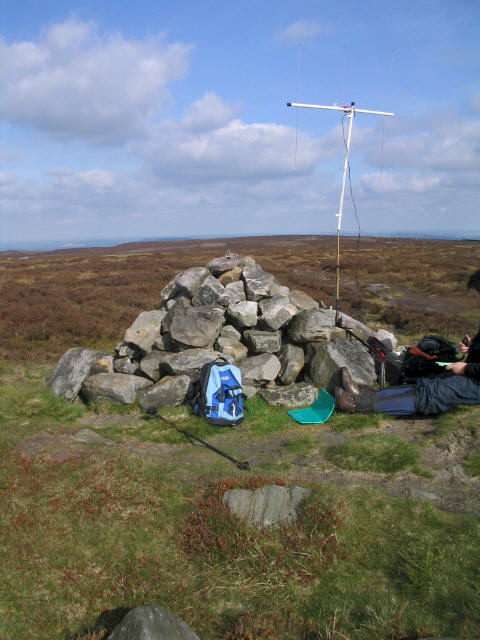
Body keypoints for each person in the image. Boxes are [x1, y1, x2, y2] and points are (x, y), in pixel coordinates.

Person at [335, 268, 480, 416]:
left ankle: (356, 404)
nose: (475, 302)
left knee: (432, 393)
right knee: (427, 382)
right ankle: (361, 394)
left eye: (476, 296)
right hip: (472, 375)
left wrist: (466, 368)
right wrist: (472, 347)